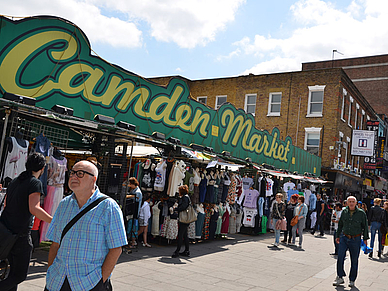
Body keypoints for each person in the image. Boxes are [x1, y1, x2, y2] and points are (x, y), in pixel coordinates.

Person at [45, 160, 127, 291]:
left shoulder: (108, 207)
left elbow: (116, 248)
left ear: (93, 180)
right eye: (72, 173)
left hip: (88, 282)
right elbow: (55, 244)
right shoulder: (64, 204)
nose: (73, 176)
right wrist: (50, 271)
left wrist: (101, 281)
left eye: (80, 173)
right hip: (57, 280)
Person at [0, 153, 53, 291]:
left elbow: (6, 205)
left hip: (6, 232)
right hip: (20, 236)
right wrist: (53, 220)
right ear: (42, 168)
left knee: (11, 273)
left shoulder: (16, 180)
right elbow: (34, 208)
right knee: (19, 275)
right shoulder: (35, 183)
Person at [333, 196, 369, 288]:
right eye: (350, 201)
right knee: (340, 257)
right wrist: (338, 236)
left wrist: (365, 239)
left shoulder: (361, 213)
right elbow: (340, 224)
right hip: (344, 237)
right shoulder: (344, 212)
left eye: (353, 201)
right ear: (347, 203)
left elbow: (365, 226)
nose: (351, 203)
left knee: (354, 260)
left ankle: (352, 280)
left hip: (355, 239)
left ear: (356, 203)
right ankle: (340, 277)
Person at [172, 185, 191, 258]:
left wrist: (176, 209)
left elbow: (183, 207)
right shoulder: (186, 197)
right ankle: (187, 250)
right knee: (184, 235)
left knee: (180, 235)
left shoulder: (185, 197)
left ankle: (177, 251)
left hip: (184, 219)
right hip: (185, 219)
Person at [127, 177, 142, 248]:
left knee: (133, 226)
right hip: (132, 211)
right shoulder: (133, 190)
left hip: (135, 212)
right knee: (131, 225)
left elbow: (135, 201)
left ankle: (133, 242)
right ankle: (131, 241)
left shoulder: (137, 192)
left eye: (130, 184)